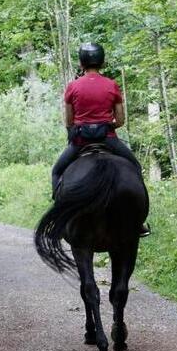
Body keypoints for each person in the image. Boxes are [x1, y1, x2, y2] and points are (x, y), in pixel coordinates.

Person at [51, 42, 150, 235]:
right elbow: (120, 119)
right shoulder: (112, 85)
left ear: (81, 63)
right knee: (135, 168)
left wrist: (79, 129)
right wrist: (108, 125)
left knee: (57, 171)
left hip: (80, 141)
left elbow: (69, 121)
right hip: (108, 139)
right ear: (102, 62)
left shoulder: (73, 87)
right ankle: (138, 222)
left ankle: (60, 217)